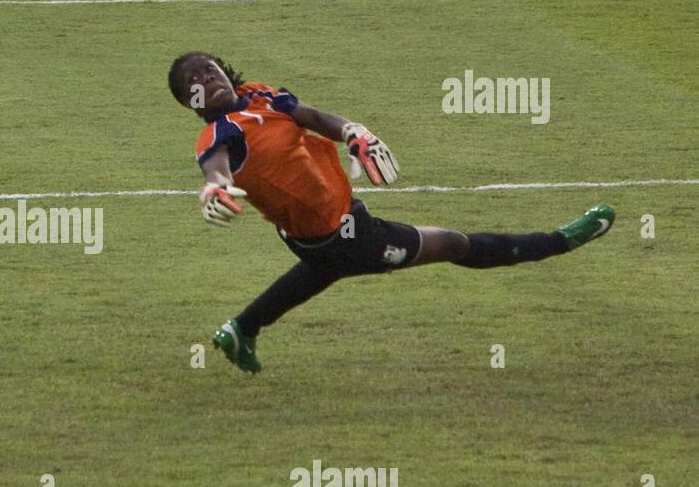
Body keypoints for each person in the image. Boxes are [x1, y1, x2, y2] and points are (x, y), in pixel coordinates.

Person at [167, 52, 615, 373]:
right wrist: (216, 188)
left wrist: (354, 134)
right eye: (197, 83)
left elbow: (313, 116)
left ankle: (241, 329)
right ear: (193, 104)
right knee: (453, 244)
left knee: (321, 271)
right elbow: (217, 168)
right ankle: (560, 240)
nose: (209, 79)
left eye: (211, 69)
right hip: (339, 234)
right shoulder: (217, 135)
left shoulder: (260, 95)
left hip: (323, 227)